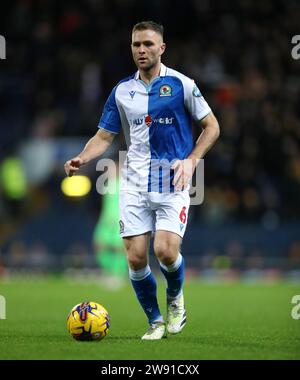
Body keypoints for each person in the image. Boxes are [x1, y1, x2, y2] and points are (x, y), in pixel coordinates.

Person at [64, 21, 220, 340]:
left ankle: (176, 299)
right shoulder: (122, 90)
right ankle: (155, 321)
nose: (141, 50)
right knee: (135, 257)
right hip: (133, 182)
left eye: (148, 44)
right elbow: (104, 135)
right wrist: (83, 156)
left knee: (164, 250)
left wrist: (192, 161)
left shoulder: (183, 84)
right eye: (136, 44)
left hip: (173, 180)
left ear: (161, 48)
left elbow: (212, 127)